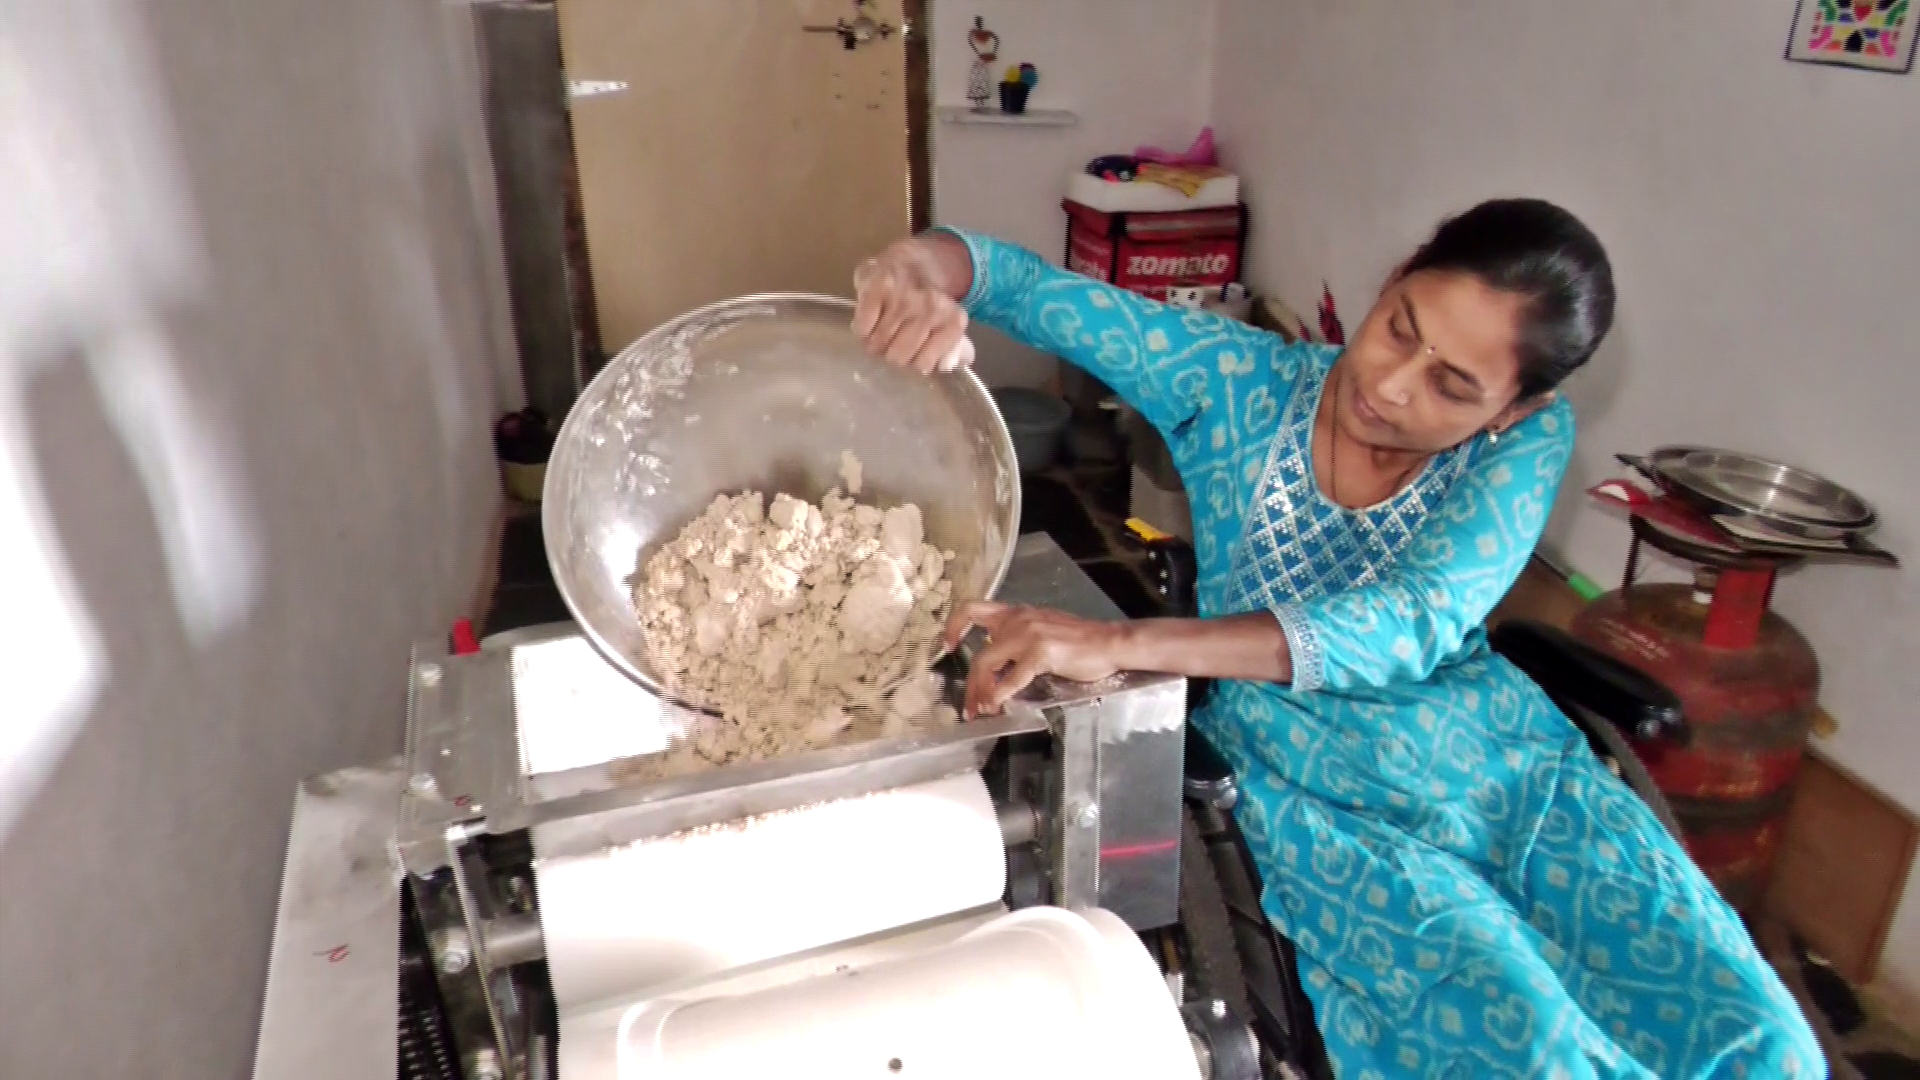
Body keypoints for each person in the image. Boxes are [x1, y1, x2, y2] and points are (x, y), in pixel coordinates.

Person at [850, 200, 1823, 1079]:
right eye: (1400, 327)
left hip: (1499, 767)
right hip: (1313, 781)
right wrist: (916, 271)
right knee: (1535, 1045)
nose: (1392, 387)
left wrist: (1125, 641)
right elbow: (1010, 279)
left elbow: (1416, 621)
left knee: (1760, 1040)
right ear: (1396, 277)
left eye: (1452, 384)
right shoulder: (1237, 382)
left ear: (1514, 407)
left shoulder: (1528, 444)